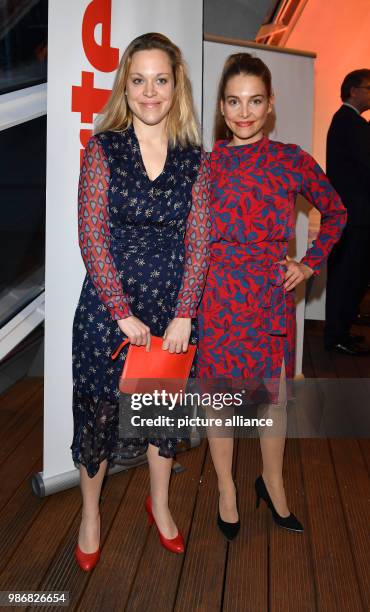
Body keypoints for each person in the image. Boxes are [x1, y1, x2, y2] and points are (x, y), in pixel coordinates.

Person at [171, 53, 347, 539]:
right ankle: (226, 488)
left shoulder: (291, 160)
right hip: (218, 294)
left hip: (269, 296)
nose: (244, 112)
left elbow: (336, 212)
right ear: (222, 109)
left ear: (270, 105)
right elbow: (190, 239)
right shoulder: (204, 167)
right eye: (234, 101)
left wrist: (309, 262)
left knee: (273, 401)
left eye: (254, 101)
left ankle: (272, 482)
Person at [71, 32, 201, 569]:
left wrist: (185, 313)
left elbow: (198, 238)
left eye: (161, 80)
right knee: (98, 417)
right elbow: (91, 234)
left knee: (161, 415)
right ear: (126, 84)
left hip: (171, 308)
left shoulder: (196, 159)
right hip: (109, 312)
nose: (151, 91)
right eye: (139, 79)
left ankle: (161, 503)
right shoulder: (103, 149)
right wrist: (121, 313)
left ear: (177, 86)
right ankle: (91, 514)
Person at [324, 69, 370, 355]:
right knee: (347, 277)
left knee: (352, 276)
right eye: (368, 87)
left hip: (354, 215)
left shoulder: (350, 122)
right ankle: (337, 336)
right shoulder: (349, 123)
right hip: (356, 217)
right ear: (353, 90)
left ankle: (341, 332)